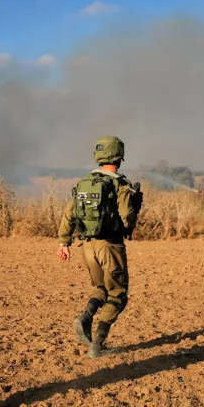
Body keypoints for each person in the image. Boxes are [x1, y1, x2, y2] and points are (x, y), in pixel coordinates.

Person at [56, 136, 142, 358]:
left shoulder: (86, 183)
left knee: (100, 289)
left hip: (88, 247)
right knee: (118, 295)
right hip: (110, 246)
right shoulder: (119, 184)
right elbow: (127, 217)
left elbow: (69, 214)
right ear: (119, 157)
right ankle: (98, 345)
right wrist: (133, 210)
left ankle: (86, 315)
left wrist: (64, 242)